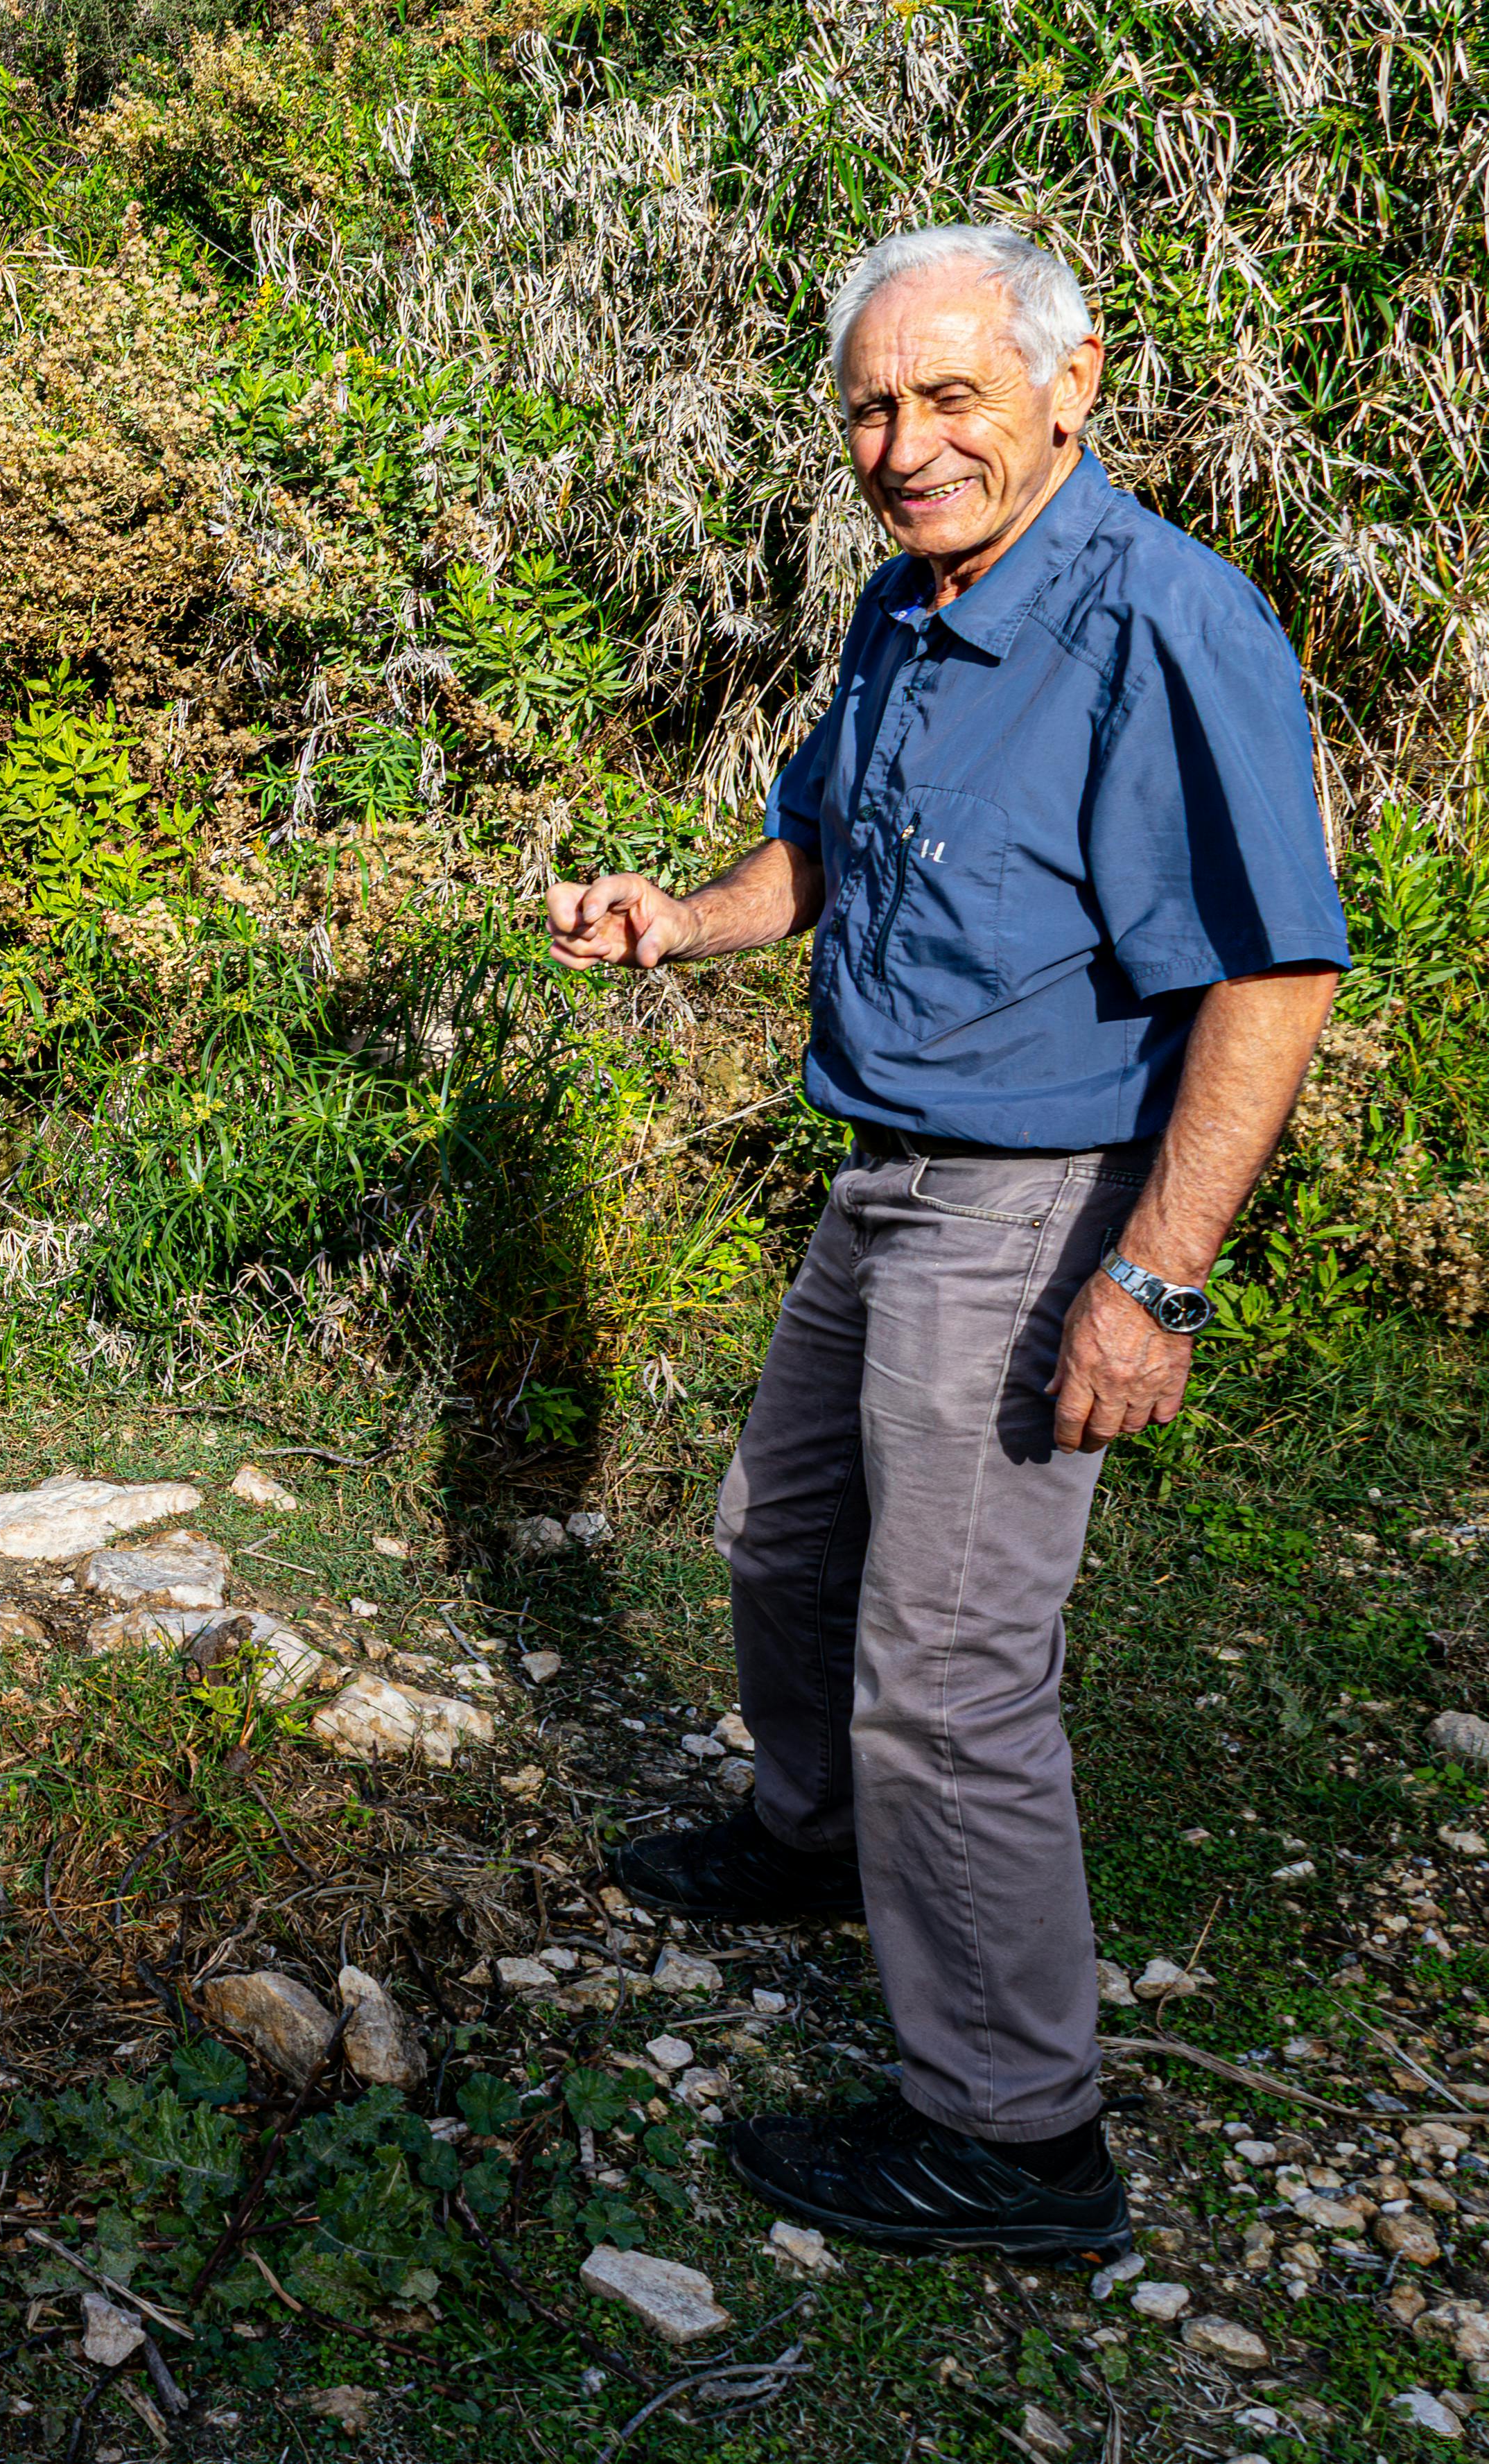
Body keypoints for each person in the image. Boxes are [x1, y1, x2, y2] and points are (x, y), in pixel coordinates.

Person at [543, 224, 1350, 2256]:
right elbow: (816, 838)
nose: (904, 443)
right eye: (872, 409)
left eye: (949, 397)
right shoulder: (906, 605)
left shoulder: (1168, 626)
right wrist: (682, 920)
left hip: (1037, 1198)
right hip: (884, 1171)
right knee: (777, 1530)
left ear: (1068, 391)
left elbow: (1271, 975)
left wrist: (1149, 1274)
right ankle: (815, 1842)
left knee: (951, 1669)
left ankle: (1014, 2134)